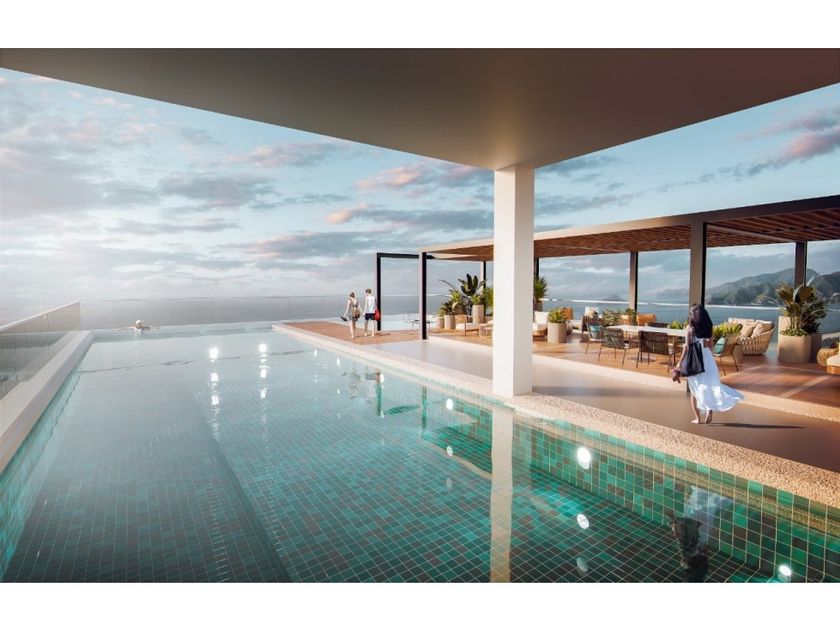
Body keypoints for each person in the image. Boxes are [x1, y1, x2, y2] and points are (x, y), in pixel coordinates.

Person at [672, 304, 743, 424]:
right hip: (707, 358)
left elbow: (687, 347)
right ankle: (709, 409)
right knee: (710, 386)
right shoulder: (709, 326)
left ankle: (698, 418)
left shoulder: (690, 328)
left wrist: (680, 361)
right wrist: (709, 357)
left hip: (695, 361)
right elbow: (710, 346)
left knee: (694, 390)